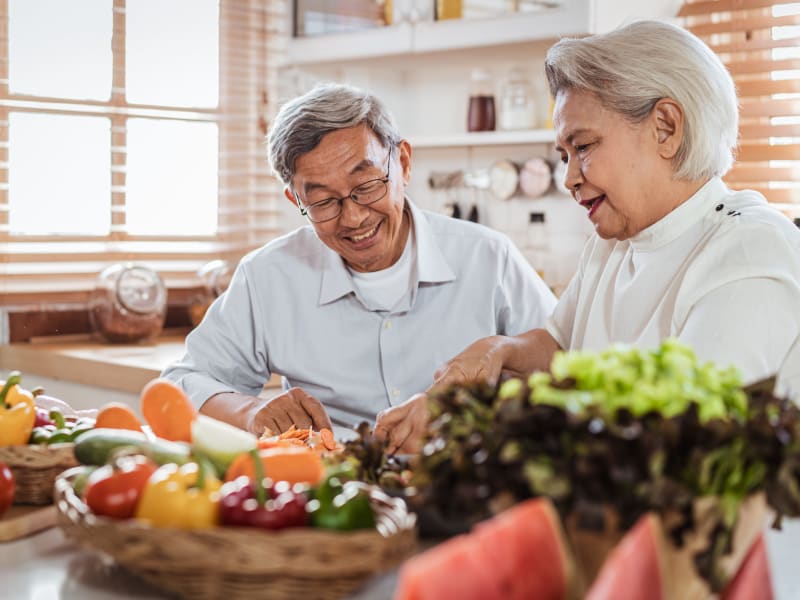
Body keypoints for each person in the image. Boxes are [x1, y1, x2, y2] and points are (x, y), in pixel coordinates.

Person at [162, 83, 557, 450]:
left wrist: (494, 364)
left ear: (402, 163)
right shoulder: (268, 276)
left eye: (367, 186)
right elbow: (180, 383)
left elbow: (566, 362)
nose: (352, 218)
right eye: (323, 202)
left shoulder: (488, 257)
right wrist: (249, 412)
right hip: (331, 500)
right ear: (294, 199)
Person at [434, 20, 800, 402]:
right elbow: (560, 351)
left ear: (665, 128)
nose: (569, 178)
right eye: (564, 155)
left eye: (584, 147)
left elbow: (684, 433)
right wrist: (500, 350)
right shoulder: (613, 243)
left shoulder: (749, 250)